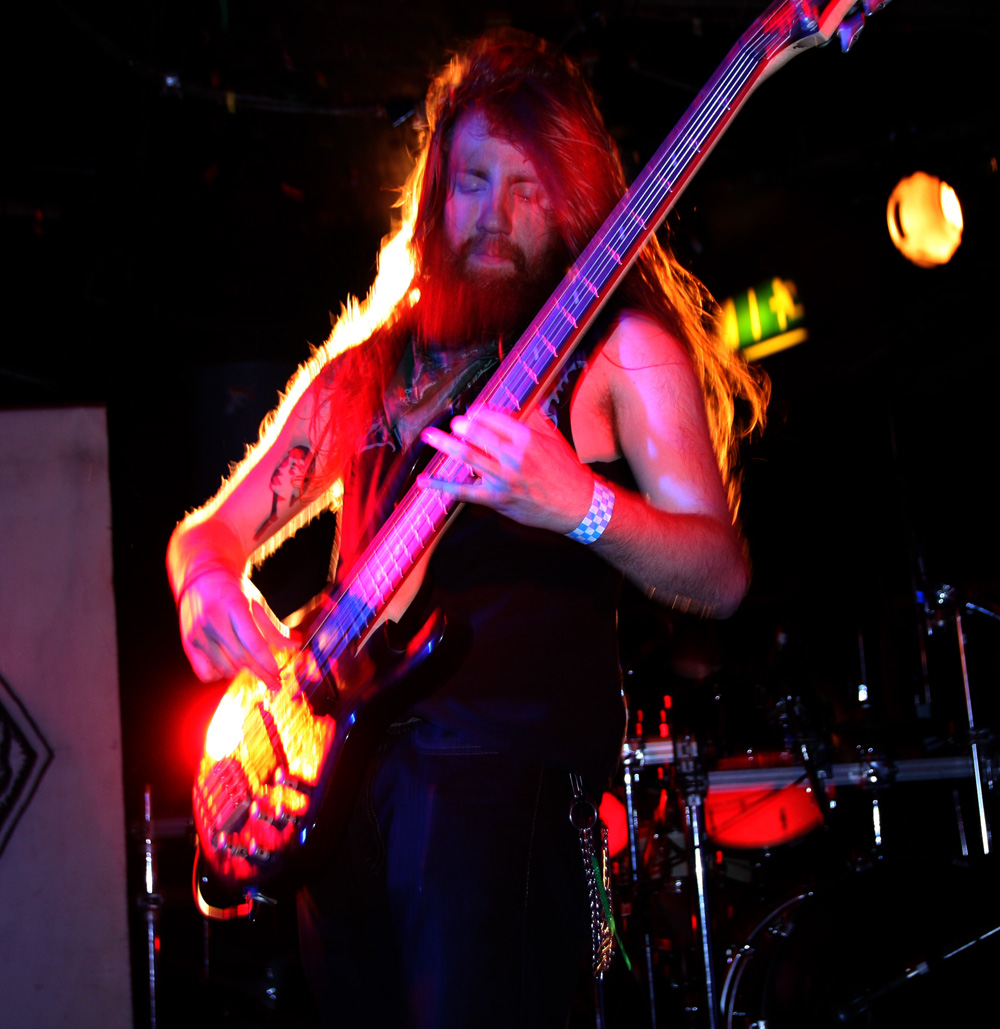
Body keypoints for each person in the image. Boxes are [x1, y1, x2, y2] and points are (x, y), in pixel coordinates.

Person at [167, 29, 768, 1029]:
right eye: (474, 181)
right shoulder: (369, 369)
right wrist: (207, 584)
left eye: (529, 187)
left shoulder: (620, 349)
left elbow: (721, 573)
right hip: (334, 794)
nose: (496, 214)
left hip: (501, 776)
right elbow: (209, 533)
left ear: (574, 201)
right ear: (435, 194)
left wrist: (579, 504)